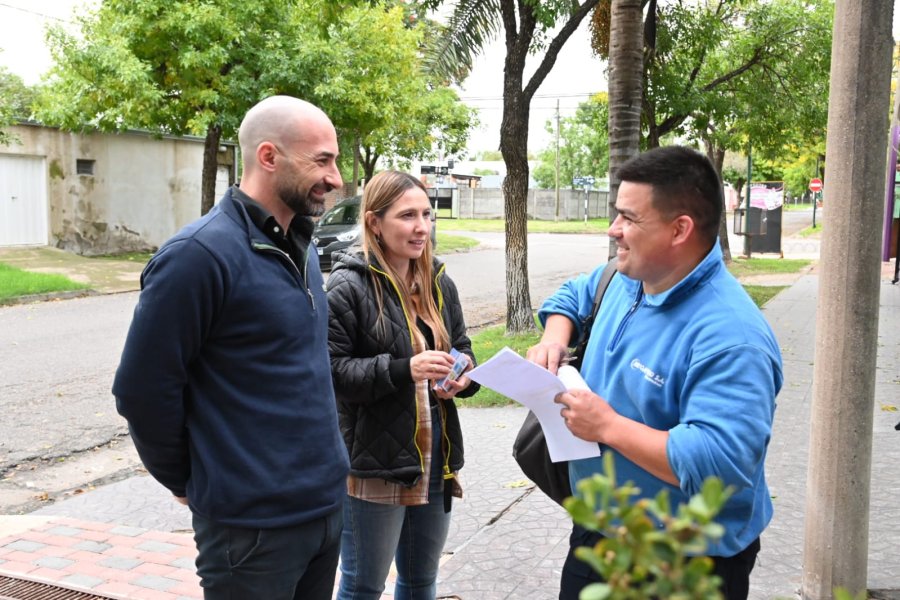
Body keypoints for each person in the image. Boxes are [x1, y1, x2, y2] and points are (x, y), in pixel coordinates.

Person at [113, 95, 350, 600]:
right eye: (322, 161)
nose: (336, 178)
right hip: (251, 530)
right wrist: (191, 480)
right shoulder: (197, 256)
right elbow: (142, 391)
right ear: (269, 157)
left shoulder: (300, 244)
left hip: (324, 510)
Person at [527, 146, 782, 600]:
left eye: (629, 218)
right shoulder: (629, 275)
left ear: (679, 229)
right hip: (601, 530)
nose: (614, 230)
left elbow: (718, 464)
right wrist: (554, 338)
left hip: (687, 559)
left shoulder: (732, 337)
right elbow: (572, 296)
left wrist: (606, 426)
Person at [326, 170, 480, 600]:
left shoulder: (438, 282)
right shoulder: (347, 286)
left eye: (427, 215)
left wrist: (462, 377)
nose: (422, 227)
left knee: (420, 581)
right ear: (375, 222)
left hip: (434, 461)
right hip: (373, 466)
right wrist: (403, 370)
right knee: (362, 585)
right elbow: (333, 374)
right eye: (407, 215)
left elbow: (463, 348)